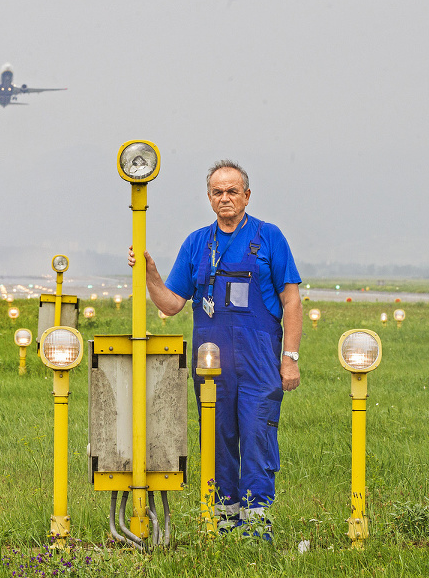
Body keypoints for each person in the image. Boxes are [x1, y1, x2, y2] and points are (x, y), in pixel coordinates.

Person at [128, 159, 302, 537]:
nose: (225, 198)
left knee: (258, 436)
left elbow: (292, 301)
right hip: (212, 364)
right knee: (217, 438)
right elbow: (172, 304)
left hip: (259, 363)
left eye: (233, 191)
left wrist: (290, 359)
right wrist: (150, 276)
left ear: (247, 196)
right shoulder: (196, 243)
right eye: (218, 192)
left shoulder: (269, 237)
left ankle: (257, 526)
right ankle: (222, 523)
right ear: (209, 198)